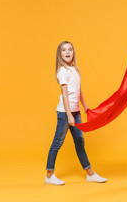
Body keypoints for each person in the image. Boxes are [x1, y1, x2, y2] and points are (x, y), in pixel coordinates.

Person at [45, 41, 107, 185]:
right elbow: (65, 94)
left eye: (70, 49)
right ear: (59, 54)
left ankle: (90, 174)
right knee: (58, 142)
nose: (67, 52)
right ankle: (49, 175)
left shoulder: (75, 69)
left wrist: (84, 106)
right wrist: (68, 115)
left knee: (79, 142)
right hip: (64, 112)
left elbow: (78, 90)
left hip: (76, 111)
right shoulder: (62, 71)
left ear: (73, 52)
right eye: (64, 50)